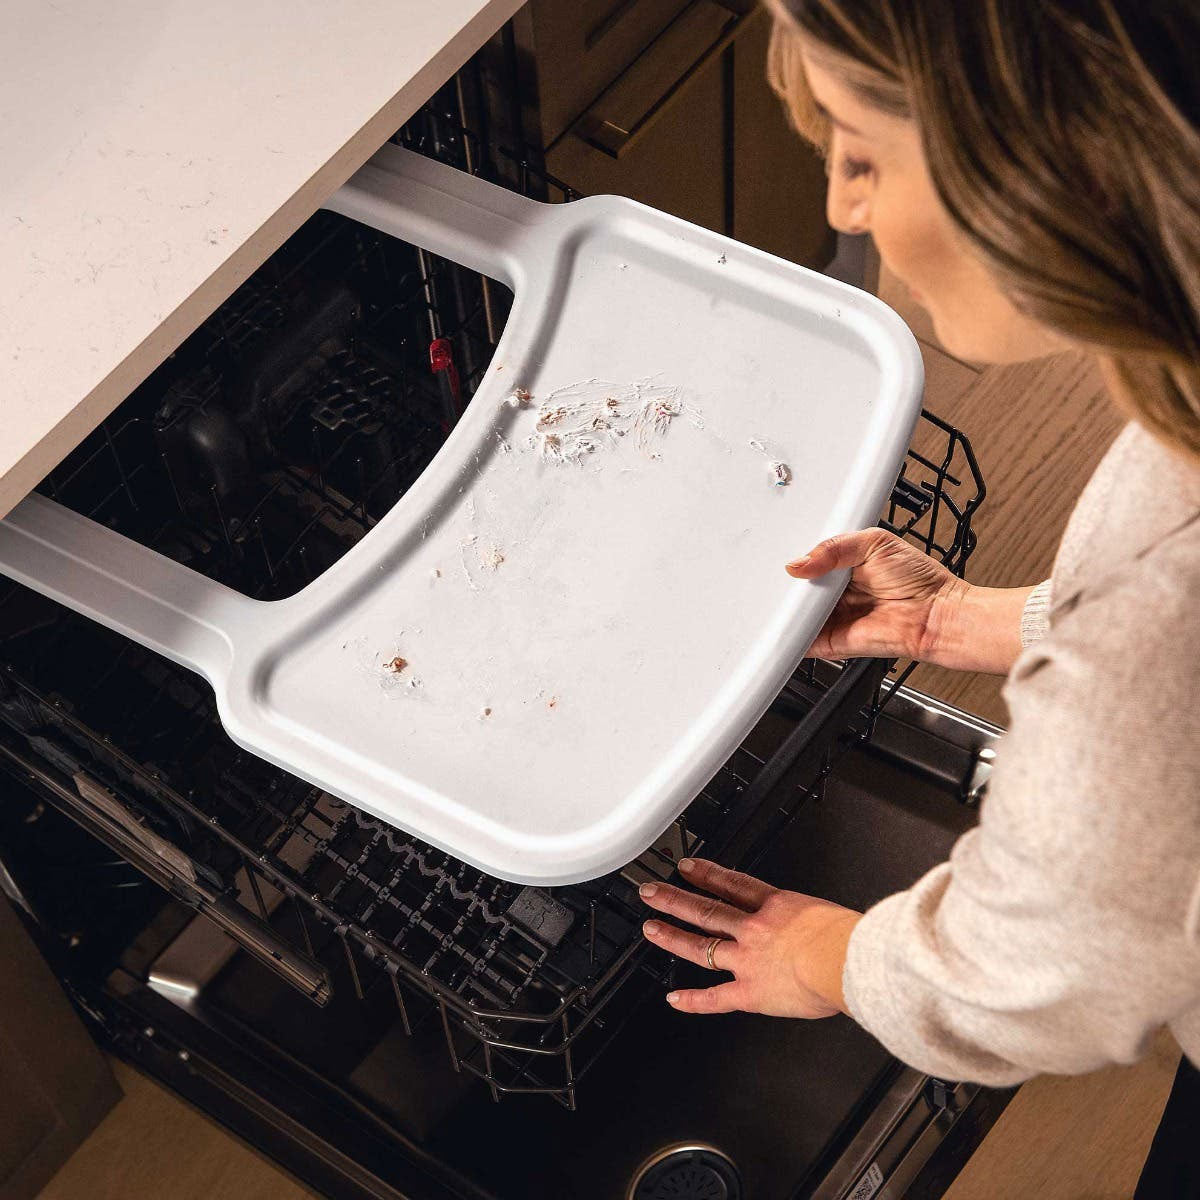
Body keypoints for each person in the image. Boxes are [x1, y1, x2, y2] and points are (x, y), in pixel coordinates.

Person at [637, 2, 1200, 1193]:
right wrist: (963, 623)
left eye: (858, 153)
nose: (844, 207)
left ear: (1044, 160)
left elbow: (1051, 969)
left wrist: (831, 954)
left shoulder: (1154, 620)